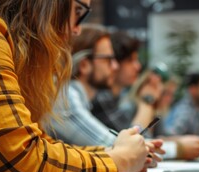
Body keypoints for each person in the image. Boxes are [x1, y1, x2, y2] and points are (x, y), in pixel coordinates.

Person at [0, 0, 158, 172]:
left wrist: (122, 153)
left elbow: (41, 146)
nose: (77, 30)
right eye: (77, 12)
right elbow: (23, 159)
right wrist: (120, 159)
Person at [48, 23, 163, 164]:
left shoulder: (79, 97)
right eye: (108, 60)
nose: (115, 66)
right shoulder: (65, 97)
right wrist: (177, 148)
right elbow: (121, 148)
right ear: (84, 65)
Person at [91, 32, 199, 160]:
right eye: (131, 60)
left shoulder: (116, 99)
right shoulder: (105, 100)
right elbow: (135, 145)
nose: (138, 66)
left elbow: (157, 137)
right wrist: (147, 101)